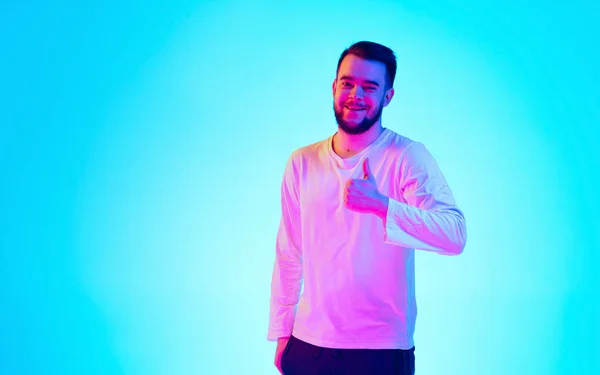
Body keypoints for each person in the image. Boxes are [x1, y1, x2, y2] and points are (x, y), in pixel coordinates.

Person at [267, 41, 467, 375]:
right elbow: (289, 252)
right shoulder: (302, 162)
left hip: (381, 350)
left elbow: (454, 235)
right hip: (308, 344)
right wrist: (281, 331)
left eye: (369, 87)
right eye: (348, 83)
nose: (355, 95)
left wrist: (382, 206)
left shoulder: (406, 156)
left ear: (387, 97)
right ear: (334, 87)